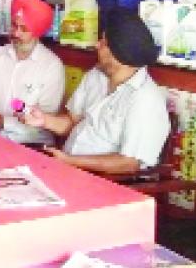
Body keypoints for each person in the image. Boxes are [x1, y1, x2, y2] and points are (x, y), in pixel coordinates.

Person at [23, 9, 170, 174]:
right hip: (71, 170)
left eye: (104, 43)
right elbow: (72, 122)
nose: (96, 45)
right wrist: (44, 120)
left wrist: (70, 161)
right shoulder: (96, 76)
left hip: (110, 183)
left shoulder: (146, 99)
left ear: (120, 53)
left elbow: (129, 163)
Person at [0, 0, 65, 146]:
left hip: (30, 144)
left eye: (23, 29)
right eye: (14, 25)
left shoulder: (51, 66)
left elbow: (45, 120)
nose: (16, 33)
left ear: (37, 32)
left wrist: (2, 122)